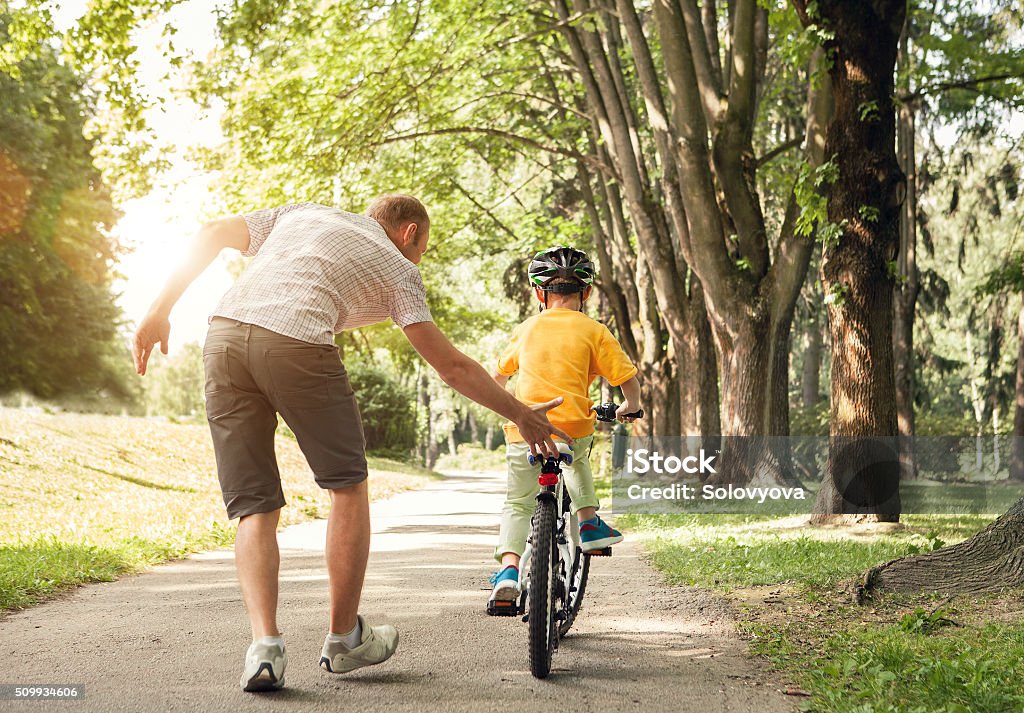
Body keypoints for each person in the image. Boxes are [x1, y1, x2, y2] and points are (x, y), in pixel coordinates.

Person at [132, 196, 570, 692]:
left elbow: (211, 230)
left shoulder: (300, 213)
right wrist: (521, 415)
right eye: (423, 247)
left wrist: (158, 310)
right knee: (347, 486)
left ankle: (265, 648)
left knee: (254, 505)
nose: (419, 258)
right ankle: (343, 639)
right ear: (409, 233)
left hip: (224, 340)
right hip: (297, 344)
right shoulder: (398, 266)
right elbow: (451, 366)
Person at [487, 246, 642, 610]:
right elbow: (627, 379)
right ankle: (588, 522)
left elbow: (497, 377)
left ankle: (509, 571)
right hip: (571, 423)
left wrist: (508, 408)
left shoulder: (526, 329)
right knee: (577, 460)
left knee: (517, 502)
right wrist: (629, 406)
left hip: (524, 427)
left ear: (539, 293)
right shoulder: (594, 330)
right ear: (585, 292)